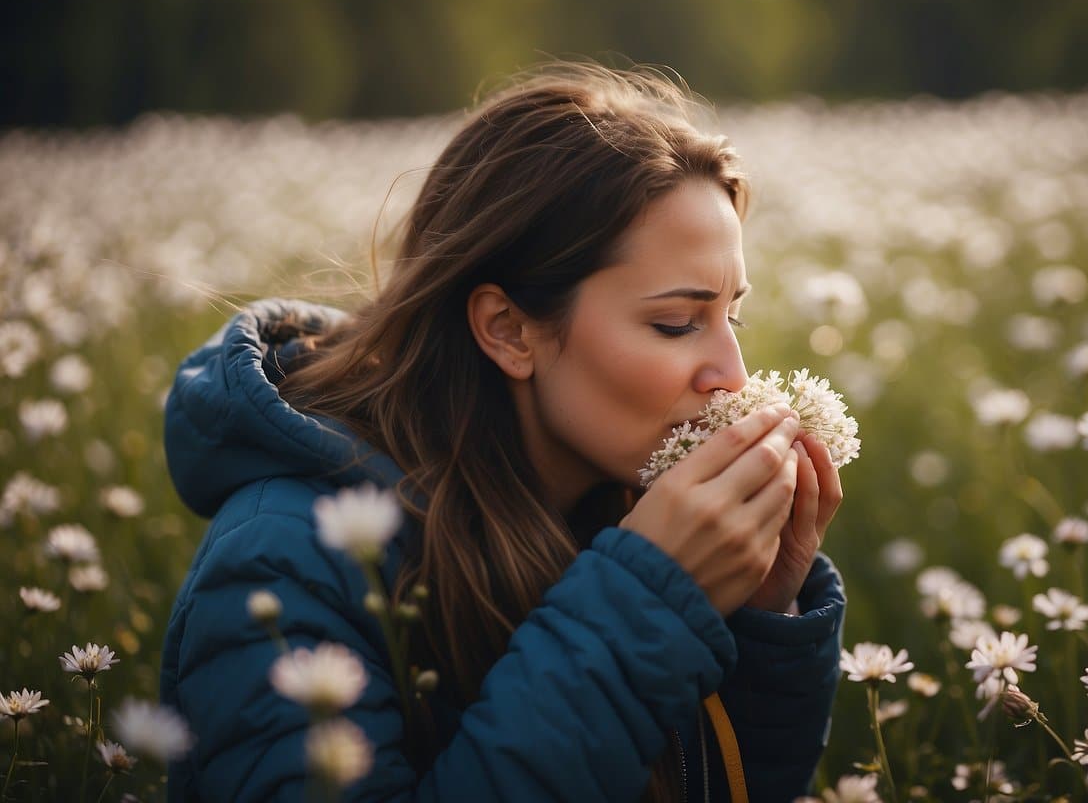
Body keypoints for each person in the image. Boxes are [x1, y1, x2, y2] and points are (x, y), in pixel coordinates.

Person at [160, 62, 845, 802]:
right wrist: (645, 609)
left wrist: (759, 620)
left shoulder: (617, 506)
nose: (732, 376)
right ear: (508, 330)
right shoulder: (289, 559)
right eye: (675, 323)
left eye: (729, 316)